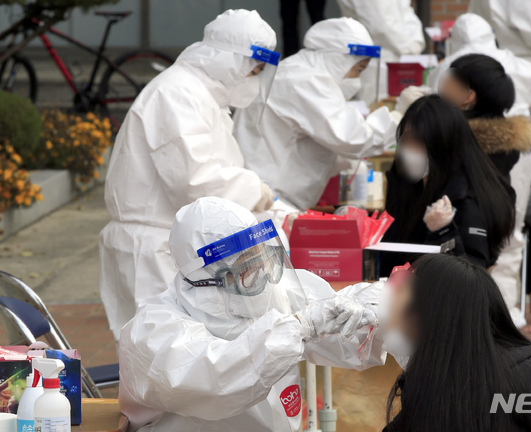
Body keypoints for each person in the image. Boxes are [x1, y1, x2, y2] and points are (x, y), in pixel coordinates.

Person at [119, 196, 385, 431]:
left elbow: (346, 329)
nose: (265, 278)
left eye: (264, 260)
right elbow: (217, 380)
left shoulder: (273, 291)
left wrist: (382, 309)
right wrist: (298, 327)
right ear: (207, 280)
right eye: (247, 268)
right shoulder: (152, 330)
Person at [99, 10, 279, 342]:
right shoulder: (177, 93)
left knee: (177, 362)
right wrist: (256, 191)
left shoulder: (199, 95)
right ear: (229, 60)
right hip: (153, 251)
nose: (253, 79)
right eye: (252, 70)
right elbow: (196, 182)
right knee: (162, 361)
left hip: (171, 244)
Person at [438, 54, 531, 326]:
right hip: (496, 219)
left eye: (450, 76)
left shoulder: (457, 140)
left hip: (483, 226)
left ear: (468, 96)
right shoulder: (502, 131)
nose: (441, 80)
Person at [380, 254, 531, 432]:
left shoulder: (464, 386)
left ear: (428, 310)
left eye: (401, 288)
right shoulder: (460, 367)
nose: (389, 297)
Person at [234, 18, 397, 210]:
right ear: (339, 60)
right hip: (270, 200)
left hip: (266, 195)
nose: (356, 80)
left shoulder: (297, 71)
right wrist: (399, 116)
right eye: (358, 69)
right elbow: (355, 139)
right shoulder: (306, 80)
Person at [382, 95, 515, 272]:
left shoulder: (467, 201)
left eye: (418, 142)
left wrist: (443, 231)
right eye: (406, 141)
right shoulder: (412, 185)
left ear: (443, 144)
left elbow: (472, 277)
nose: (409, 151)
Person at [426, 13, 531, 121]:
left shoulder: (442, 70)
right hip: (517, 140)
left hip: (463, 140)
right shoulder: (520, 65)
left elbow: (434, 109)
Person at [336, 0, 426, 104]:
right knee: (377, 109)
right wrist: (410, 47)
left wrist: (415, 40)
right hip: (377, 60)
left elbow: (405, 10)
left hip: (398, 53)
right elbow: (379, 24)